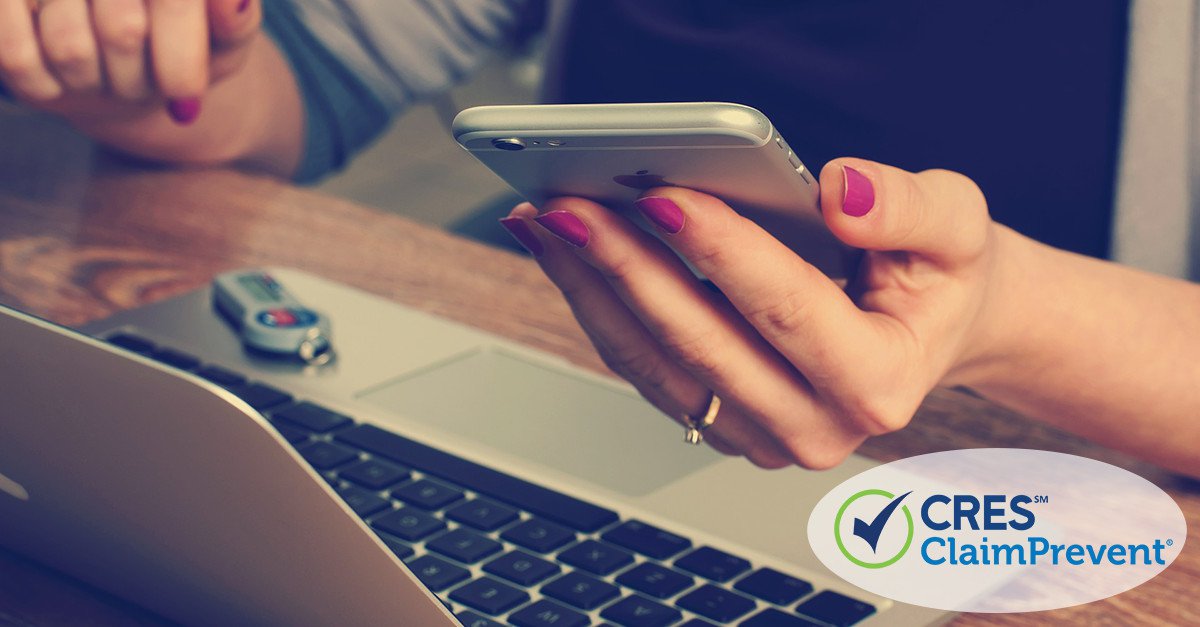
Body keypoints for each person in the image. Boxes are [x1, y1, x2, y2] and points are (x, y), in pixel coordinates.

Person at [1, 0, 1196, 477]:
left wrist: (1001, 314)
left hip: (1053, 504)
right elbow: (301, 86)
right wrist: (154, 63)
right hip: (559, 411)